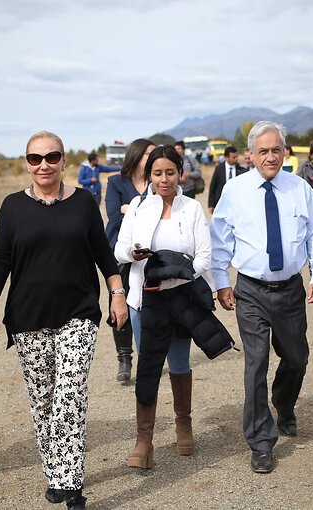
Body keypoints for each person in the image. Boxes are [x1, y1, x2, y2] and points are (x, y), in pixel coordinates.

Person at [0, 131, 127, 509]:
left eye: (51, 157)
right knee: (43, 399)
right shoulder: (12, 206)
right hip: (27, 316)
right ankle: (55, 469)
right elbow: (0, 260)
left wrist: (117, 294)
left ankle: (71, 483)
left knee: (70, 394)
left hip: (77, 313)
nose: (43, 164)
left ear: (64, 161)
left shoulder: (83, 202)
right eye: (34, 158)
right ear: (27, 163)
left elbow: (103, 254)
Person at [210, 121, 313, 474]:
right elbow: (220, 241)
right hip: (250, 290)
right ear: (250, 154)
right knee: (256, 362)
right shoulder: (234, 191)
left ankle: (284, 402)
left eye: (275, 149)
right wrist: (221, 282)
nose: (269, 156)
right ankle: (261, 442)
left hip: (291, 288)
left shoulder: (300, 188)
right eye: (262, 150)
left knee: (297, 358)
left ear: (285, 152)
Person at [115, 145, 228, 469]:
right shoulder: (137, 207)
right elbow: (120, 249)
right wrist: (133, 254)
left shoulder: (191, 208)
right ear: (148, 175)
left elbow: (206, 255)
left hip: (181, 298)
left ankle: (183, 425)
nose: (164, 179)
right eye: (157, 173)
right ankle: (144, 439)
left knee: (179, 363)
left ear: (180, 173)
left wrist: (181, 272)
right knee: (148, 366)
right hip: (143, 300)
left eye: (170, 172)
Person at [104, 138, 155, 383]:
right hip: (119, 254)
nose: (152, 158)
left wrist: (129, 209)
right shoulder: (116, 182)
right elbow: (113, 216)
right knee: (119, 301)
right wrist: (136, 210)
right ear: (136, 155)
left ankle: (150, 354)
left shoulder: (157, 181)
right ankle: (124, 358)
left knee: (151, 302)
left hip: (150, 253)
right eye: (148, 154)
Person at [207, 146, 246, 212]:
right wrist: (211, 205)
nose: (236, 159)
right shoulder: (219, 169)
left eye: (236, 156)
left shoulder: (241, 170)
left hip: (236, 204)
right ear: (226, 158)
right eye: (233, 157)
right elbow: (213, 186)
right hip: (221, 203)